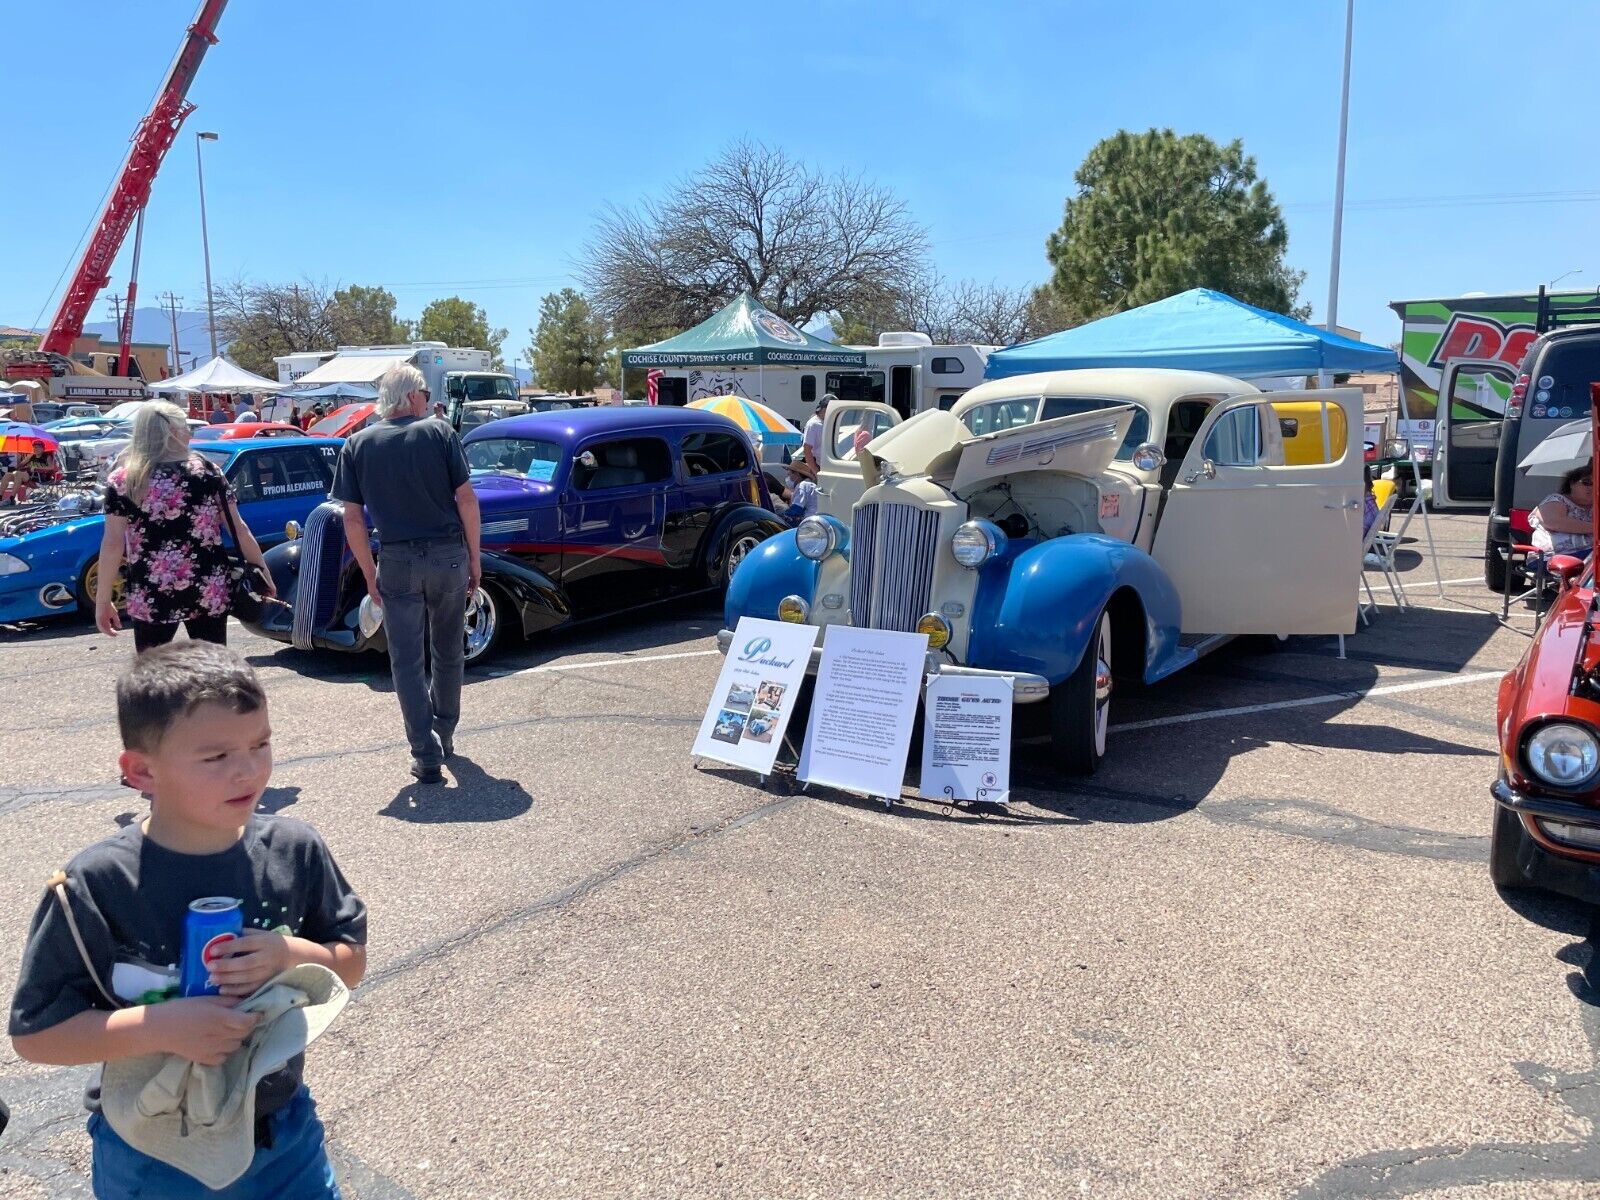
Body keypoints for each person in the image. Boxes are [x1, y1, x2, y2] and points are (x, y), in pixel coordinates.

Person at [7, 642, 367, 1198]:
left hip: (281, 1128)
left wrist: (292, 954)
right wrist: (160, 1027)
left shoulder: (295, 849)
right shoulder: (96, 884)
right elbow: (37, 1036)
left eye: (261, 743)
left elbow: (349, 962)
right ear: (141, 770)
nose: (248, 769)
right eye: (215, 756)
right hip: (153, 1144)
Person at [331, 363, 481, 783]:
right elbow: (466, 500)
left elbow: (353, 519)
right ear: (413, 396)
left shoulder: (357, 444)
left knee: (407, 661)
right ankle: (444, 731)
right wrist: (475, 558)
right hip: (447, 553)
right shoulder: (440, 433)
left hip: (396, 559)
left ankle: (424, 751)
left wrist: (367, 570)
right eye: (423, 392)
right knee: (449, 650)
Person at [94, 401, 275, 652]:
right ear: (172, 433)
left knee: (152, 674)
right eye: (185, 427)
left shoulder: (125, 480)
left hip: (151, 590)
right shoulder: (208, 473)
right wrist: (263, 572)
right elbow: (239, 529)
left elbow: (112, 543)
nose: (189, 433)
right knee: (211, 671)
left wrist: (103, 601)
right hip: (208, 586)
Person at [1530, 463, 1594, 557]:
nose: (1592, 487)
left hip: (1588, 555)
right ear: (1572, 484)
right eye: (1586, 483)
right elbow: (1553, 522)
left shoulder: (1594, 507)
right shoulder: (1556, 500)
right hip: (1552, 558)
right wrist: (1595, 528)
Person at [778, 460, 819, 524]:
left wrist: (780, 516)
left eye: (789, 474)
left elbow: (796, 509)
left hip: (808, 522)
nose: (788, 477)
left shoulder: (802, 485)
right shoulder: (808, 484)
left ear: (797, 474)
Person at [802, 393, 834, 473]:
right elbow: (807, 449)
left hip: (830, 465)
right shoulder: (813, 424)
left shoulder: (829, 422)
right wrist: (815, 470)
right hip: (819, 466)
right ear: (824, 408)